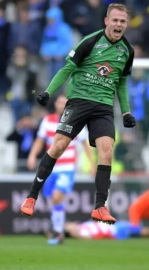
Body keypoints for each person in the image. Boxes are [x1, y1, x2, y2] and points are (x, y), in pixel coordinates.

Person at [21, 3, 136, 224]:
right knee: (59, 146)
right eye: (115, 20)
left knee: (106, 151)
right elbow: (67, 69)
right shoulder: (90, 41)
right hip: (79, 102)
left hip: (103, 107)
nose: (119, 24)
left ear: (126, 24)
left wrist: (126, 112)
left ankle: (100, 207)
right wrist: (48, 92)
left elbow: (121, 83)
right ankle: (32, 196)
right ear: (106, 21)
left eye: (123, 21)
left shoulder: (127, 51)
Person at [27, 95, 96, 244]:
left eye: (65, 102)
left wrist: (92, 164)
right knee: (53, 199)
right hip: (50, 168)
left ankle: (58, 233)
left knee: (57, 196)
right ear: (56, 104)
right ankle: (57, 230)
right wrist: (32, 156)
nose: (62, 104)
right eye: (60, 102)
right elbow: (40, 140)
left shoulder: (76, 121)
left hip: (67, 167)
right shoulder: (47, 121)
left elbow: (85, 144)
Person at [64, 220, 149, 240]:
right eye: (68, 226)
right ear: (71, 233)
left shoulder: (81, 226)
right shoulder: (82, 233)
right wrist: (77, 236)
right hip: (115, 232)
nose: (70, 224)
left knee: (140, 230)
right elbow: (91, 237)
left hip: (114, 226)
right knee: (141, 232)